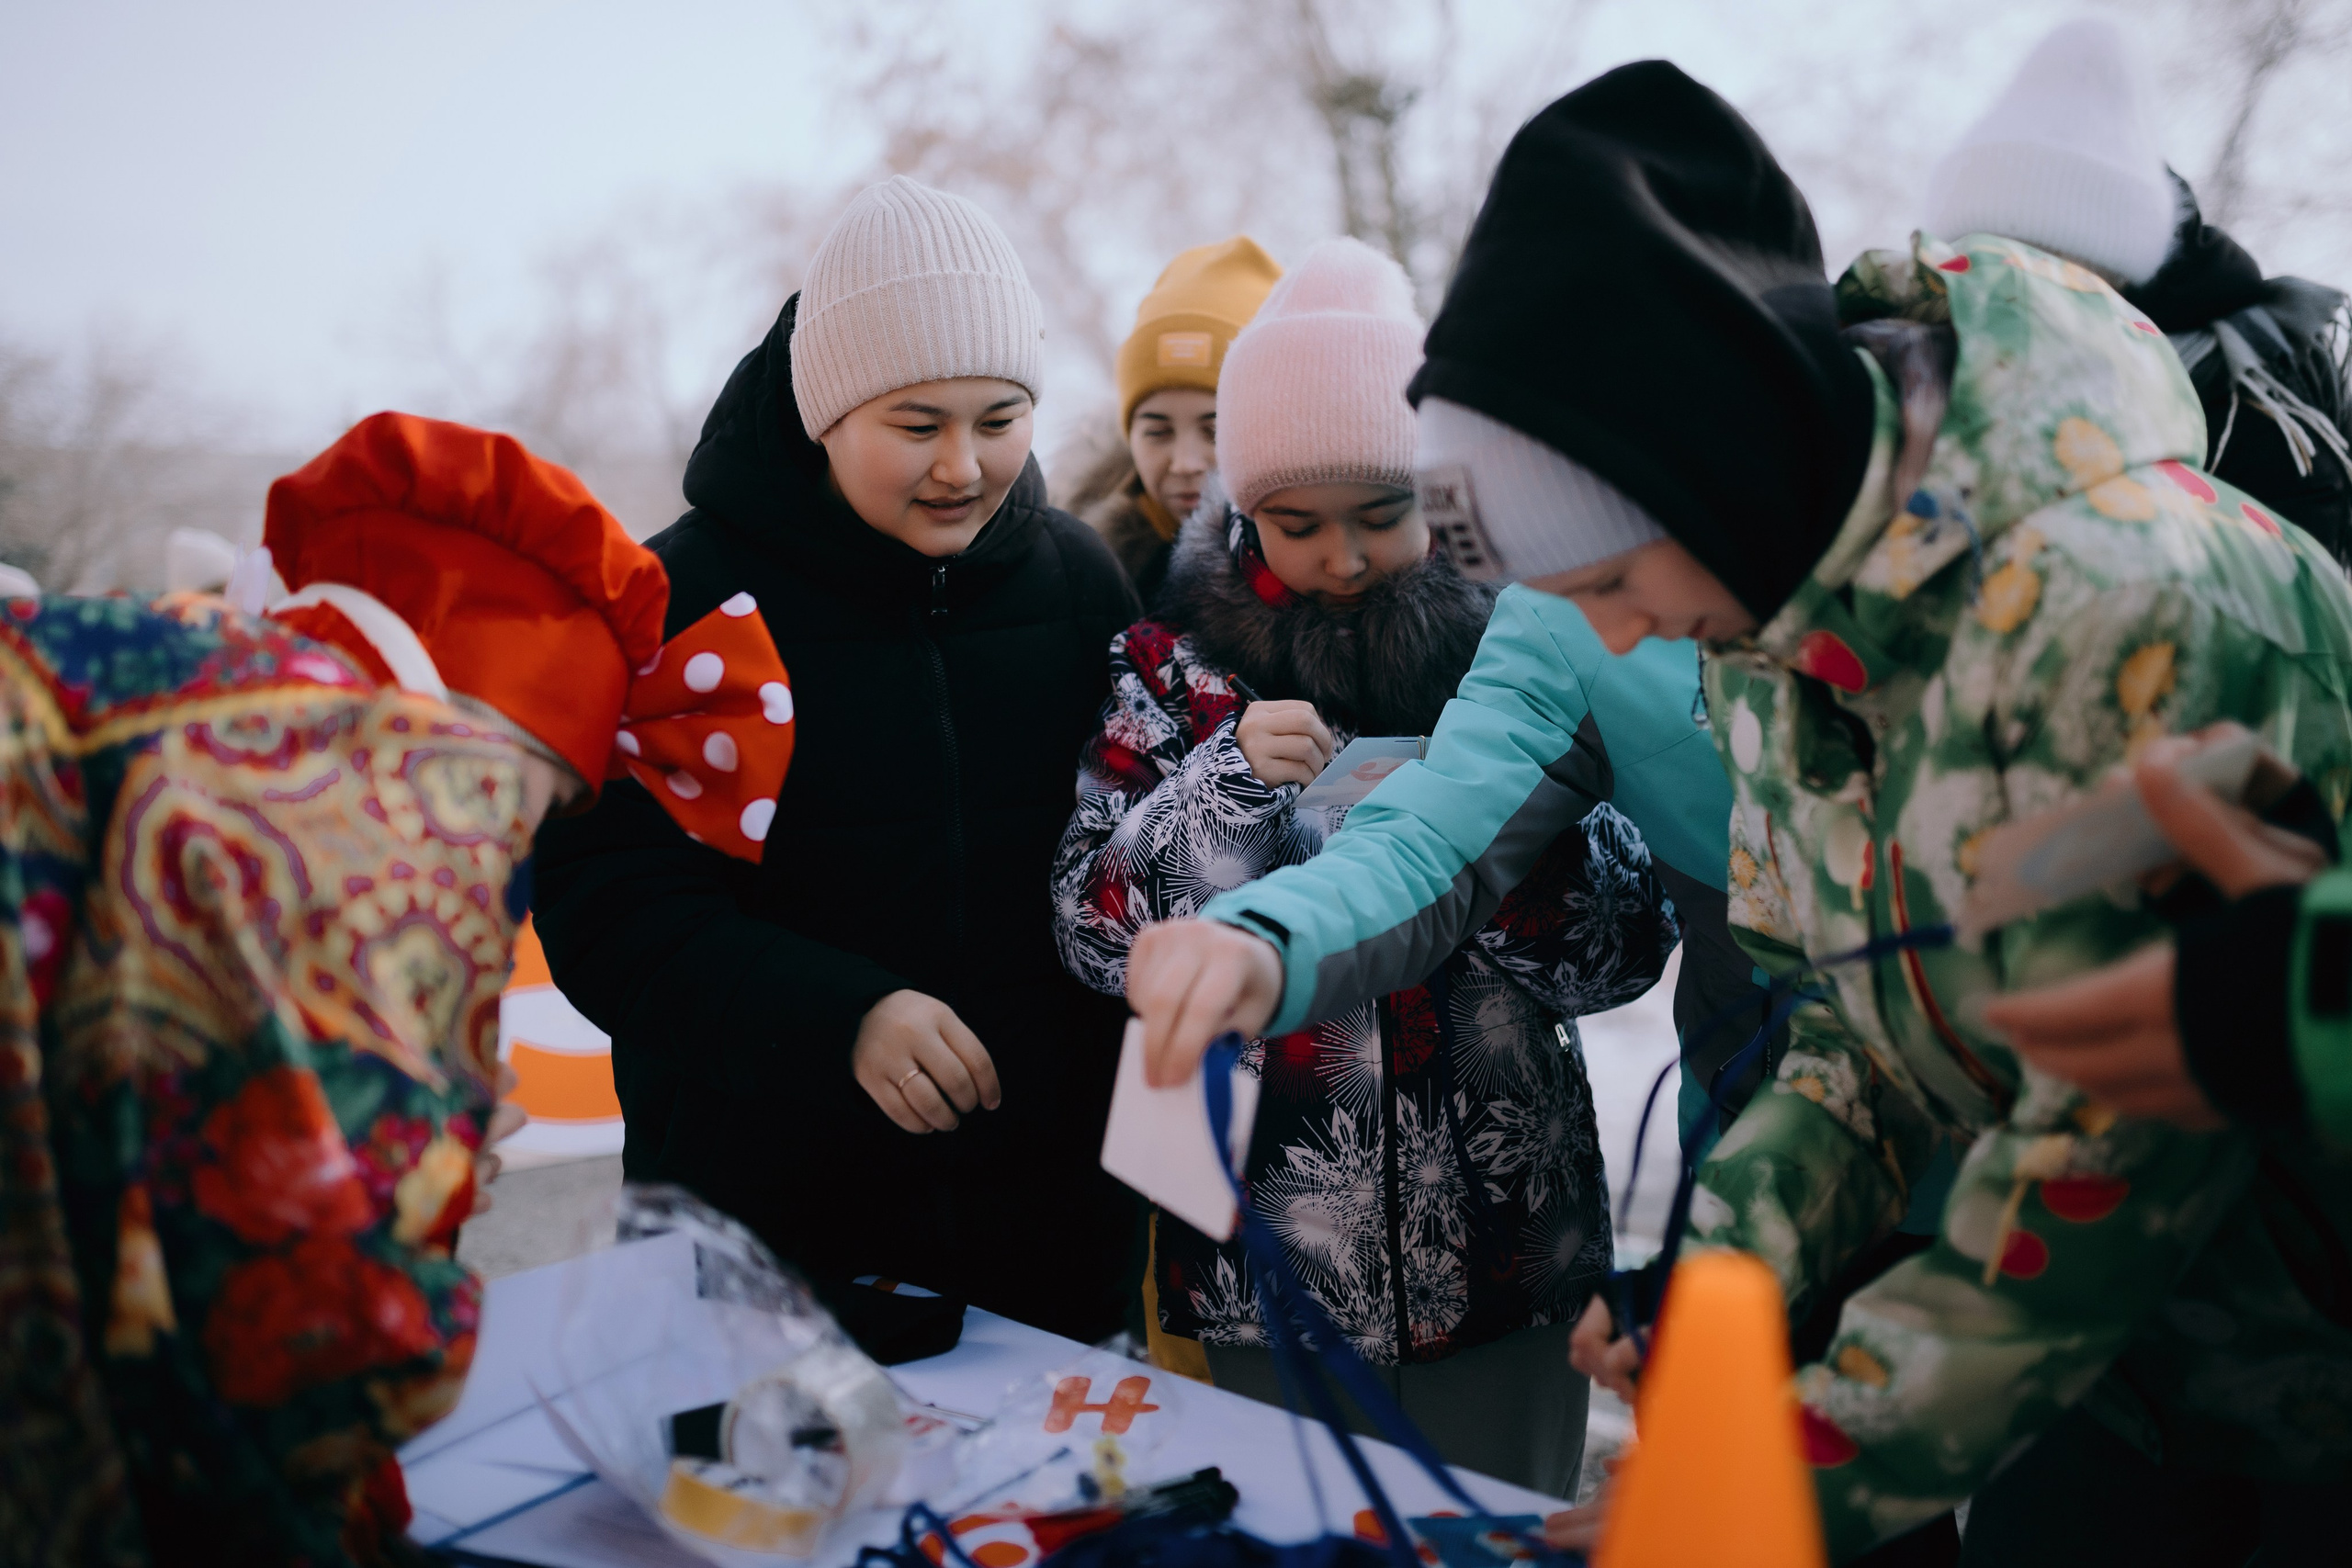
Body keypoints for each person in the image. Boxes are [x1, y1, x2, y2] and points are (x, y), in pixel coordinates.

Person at [1124, 61, 2352, 1564]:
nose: (1614, 639)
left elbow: (2110, 1161)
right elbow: (1843, 1040)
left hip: (2292, 1337)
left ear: (1697, 478)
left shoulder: (2115, 609)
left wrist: (1755, 1486)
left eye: (1611, 583)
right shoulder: (1772, 623)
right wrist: (1719, 1286)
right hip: (2116, 1383)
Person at [6, 410, 791, 1567]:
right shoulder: (354, 813)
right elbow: (316, 1342)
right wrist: (411, 1175)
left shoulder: (125, 710)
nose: (495, 868)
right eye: (513, 812)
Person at [1051, 238, 1678, 1497]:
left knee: (1491, 1529)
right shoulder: (1171, 670)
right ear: (1243, 510)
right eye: (1298, 523)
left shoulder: (1528, 650)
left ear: (1435, 496)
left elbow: (1625, 945)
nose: (1340, 556)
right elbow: (1094, 928)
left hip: (1508, 1253)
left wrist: (1475, 825)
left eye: (1379, 516)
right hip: (1257, 1261)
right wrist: (1226, 784)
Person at [532, 176, 1146, 1346]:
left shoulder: (1078, 584)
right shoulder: (685, 602)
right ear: (825, 412)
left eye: (1000, 419)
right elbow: (609, 907)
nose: (962, 465)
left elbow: (1132, 863)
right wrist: (837, 1018)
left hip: (1048, 1251)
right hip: (769, 1254)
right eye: (916, 426)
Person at [1924, 17, 2352, 564]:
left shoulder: (2246, 408)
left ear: (2115, 274)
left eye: (2046, 265)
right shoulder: (1923, 356)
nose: (2004, 289)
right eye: (1978, 262)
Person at [1057, 237, 1283, 605]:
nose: (1184, 463)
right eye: (1157, 432)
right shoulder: (1074, 568)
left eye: (1215, 432)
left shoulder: (1324, 567)